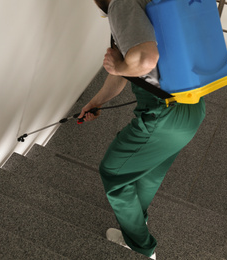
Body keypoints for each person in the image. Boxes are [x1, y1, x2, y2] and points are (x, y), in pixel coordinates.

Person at [78, 0, 206, 258]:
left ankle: (141, 248)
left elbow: (145, 60)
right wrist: (97, 101)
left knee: (113, 172)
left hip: (163, 114)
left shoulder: (121, 5)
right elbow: (127, 69)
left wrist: (119, 65)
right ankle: (138, 224)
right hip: (191, 107)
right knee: (146, 172)